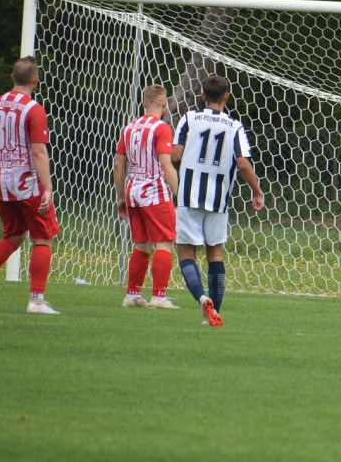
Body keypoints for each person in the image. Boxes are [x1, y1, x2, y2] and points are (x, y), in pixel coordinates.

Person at [0, 56, 60, 315]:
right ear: (35, 80)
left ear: (12, 77)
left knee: (14, 234)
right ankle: (36, 301)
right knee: (43, 237)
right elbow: (38, 151)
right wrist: (47, 188)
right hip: (26, 182)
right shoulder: (33, 109)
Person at [172, 75, 264, 326]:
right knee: (215, 254)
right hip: (219, 200)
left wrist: (185, 170)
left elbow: (176, 156)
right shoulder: (234, 127)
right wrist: (256, 191)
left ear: (203, 96)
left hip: (189, 196)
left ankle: (202, 298)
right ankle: (213, 314)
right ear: (226, 97)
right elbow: (243, 164)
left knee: (186, 254)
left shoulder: (189, 119)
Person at [113, 85, 180, 309]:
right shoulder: (162, 128)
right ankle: (159, 296)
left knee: (141, 244)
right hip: (154, 191)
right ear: (164, 104)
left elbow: (118, 165)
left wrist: (121, 197)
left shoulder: (129, 128)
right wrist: (179, 194)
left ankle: (132, 295)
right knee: (164, 242)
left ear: (143, 104)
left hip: (133, 192)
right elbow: (166, 164)